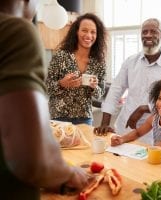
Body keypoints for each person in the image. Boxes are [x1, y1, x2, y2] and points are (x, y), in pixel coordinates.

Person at [0, 0, 90, 199]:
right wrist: (66, 174)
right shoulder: (16, 32)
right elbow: (31, 158)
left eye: (93, 33)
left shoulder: (96, 61)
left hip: (82, 119)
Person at [94, 18, 161, 144]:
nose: (148, 35)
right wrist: (104, 122)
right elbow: (116, 89)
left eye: (153, 32)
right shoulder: (131, 61)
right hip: (125, 126)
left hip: (152, 132)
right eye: (144, 32)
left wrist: (144, 108)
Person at [46, 13, 107, 125]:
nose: (89, 35)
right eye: (84, 30)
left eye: (93, 32)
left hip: (84, 117)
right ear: (76, 32)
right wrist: (62, 84)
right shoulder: (61, 56)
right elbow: (47, 87)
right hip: (60, 116)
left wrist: (94, 87)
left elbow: (100, 94)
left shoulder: (99, 62)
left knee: (86, 143)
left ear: (97, 35)